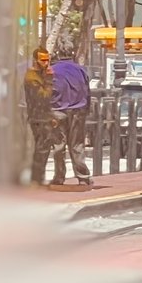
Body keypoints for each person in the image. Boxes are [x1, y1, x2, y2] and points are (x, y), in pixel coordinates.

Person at [51, 56, 92, 187]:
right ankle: (83, 177)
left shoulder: (52, 70)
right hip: (78, 109)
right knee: (77, 146)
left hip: (58, 110)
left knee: (58, 146)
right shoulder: (81, 70)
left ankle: (59, 177)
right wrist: (87, 109)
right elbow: (87, 91)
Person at [23, 47, 61, 186]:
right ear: (35, 60)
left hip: (44, 116)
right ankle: (36, 179)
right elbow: (43, 97)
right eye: (43, 60)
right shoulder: (32, 77)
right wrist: (49, 80)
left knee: (43, 149)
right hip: (38, 118)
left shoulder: (41, 74)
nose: (46, 63)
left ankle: (38, 178)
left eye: (47, 60)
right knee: (41, 149)